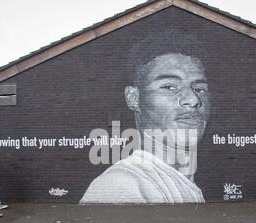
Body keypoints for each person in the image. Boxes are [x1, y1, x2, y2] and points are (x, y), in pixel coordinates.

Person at [80, 29, 210, 204]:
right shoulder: (122, 186)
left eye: (200, 89)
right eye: (170, 87)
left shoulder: (184, 183)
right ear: (133, 98)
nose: (193, 99)